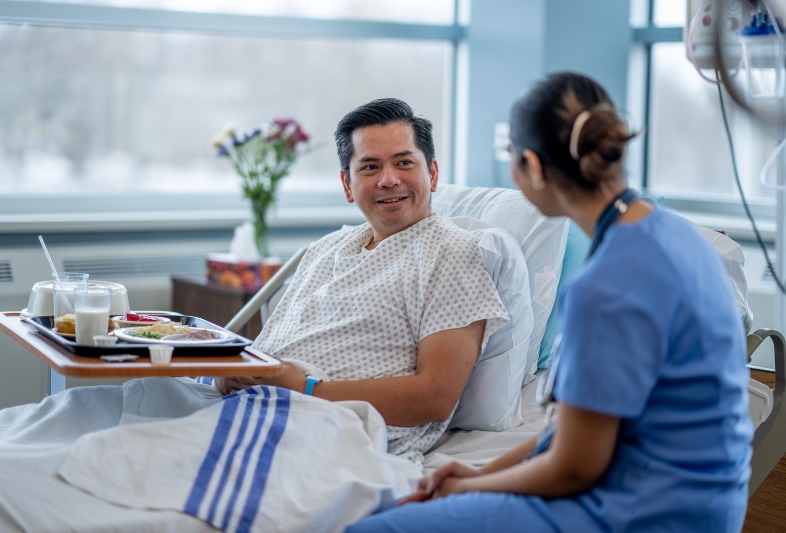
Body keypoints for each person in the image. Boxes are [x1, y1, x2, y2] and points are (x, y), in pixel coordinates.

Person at [346, 72, 754, 532]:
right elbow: (576, 425)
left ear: (532, 166)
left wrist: (468, 489)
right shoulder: (676, 236)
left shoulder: (607, 286)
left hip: (644, 510)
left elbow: (574, 467)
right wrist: (480, 473)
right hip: (710, 501)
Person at [216, 98, 509, 463]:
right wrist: (234, 375)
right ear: (347, 184)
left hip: (327, 434)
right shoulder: (325, 249)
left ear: (432, 174)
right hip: (251, 408)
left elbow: (435, 397)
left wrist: (304, 388)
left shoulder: (449, 253)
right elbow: (271, 348)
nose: (388, 179)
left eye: (404, 163)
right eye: (370, 167)